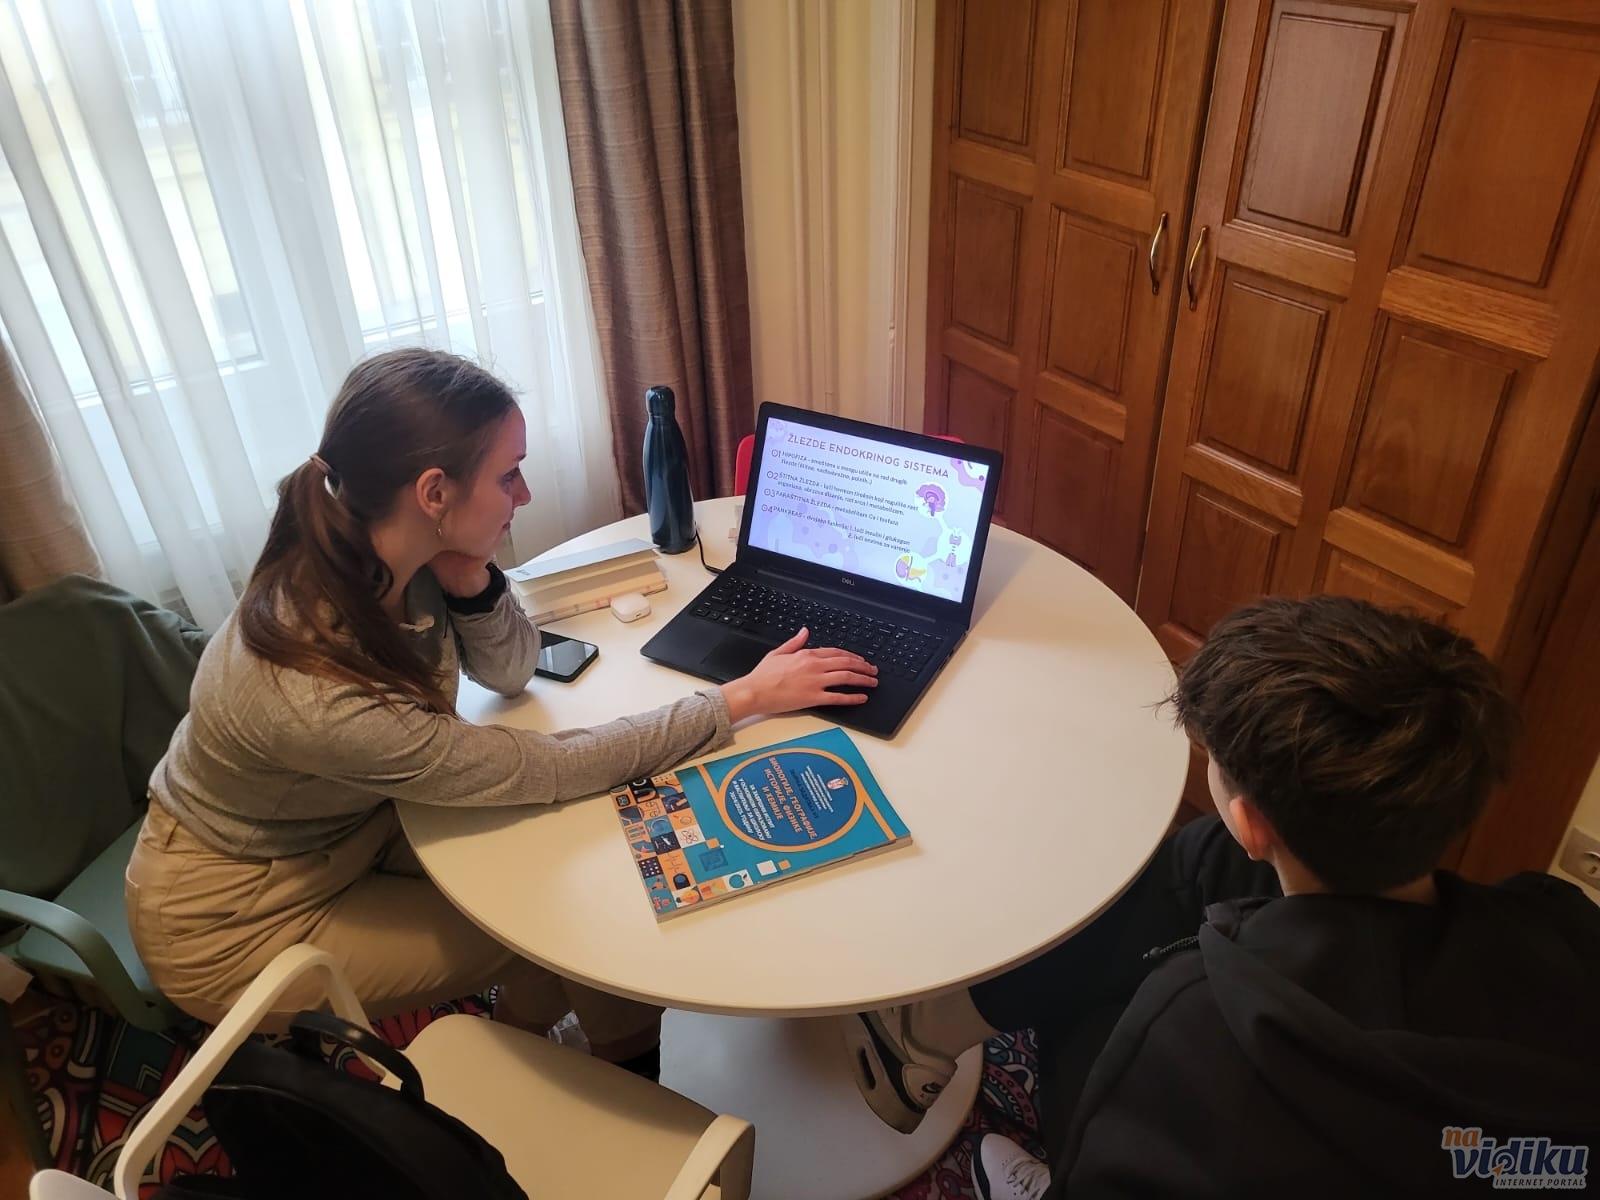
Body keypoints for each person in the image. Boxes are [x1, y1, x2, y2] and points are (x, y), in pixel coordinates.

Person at [126, 348, 877, 1077]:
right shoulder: (312, 691)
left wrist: (473, 579)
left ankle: (555, 1043)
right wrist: (743, 697)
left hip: (351, 821)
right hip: (237, 914)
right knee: (562, 925)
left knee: (572, 863)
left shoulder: (389, 554)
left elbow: (511, 670)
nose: (525, 495)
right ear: (433, 493)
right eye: (509, 474)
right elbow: (549, 765)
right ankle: (616, 1081)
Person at [843, 596, 1600, 1198]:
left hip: (1209, 1144)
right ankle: (934, 1030)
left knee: (1083, 1000)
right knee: (1204, 858)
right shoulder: (1562, 921)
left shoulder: (1185, 1026)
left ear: (1253, 822)